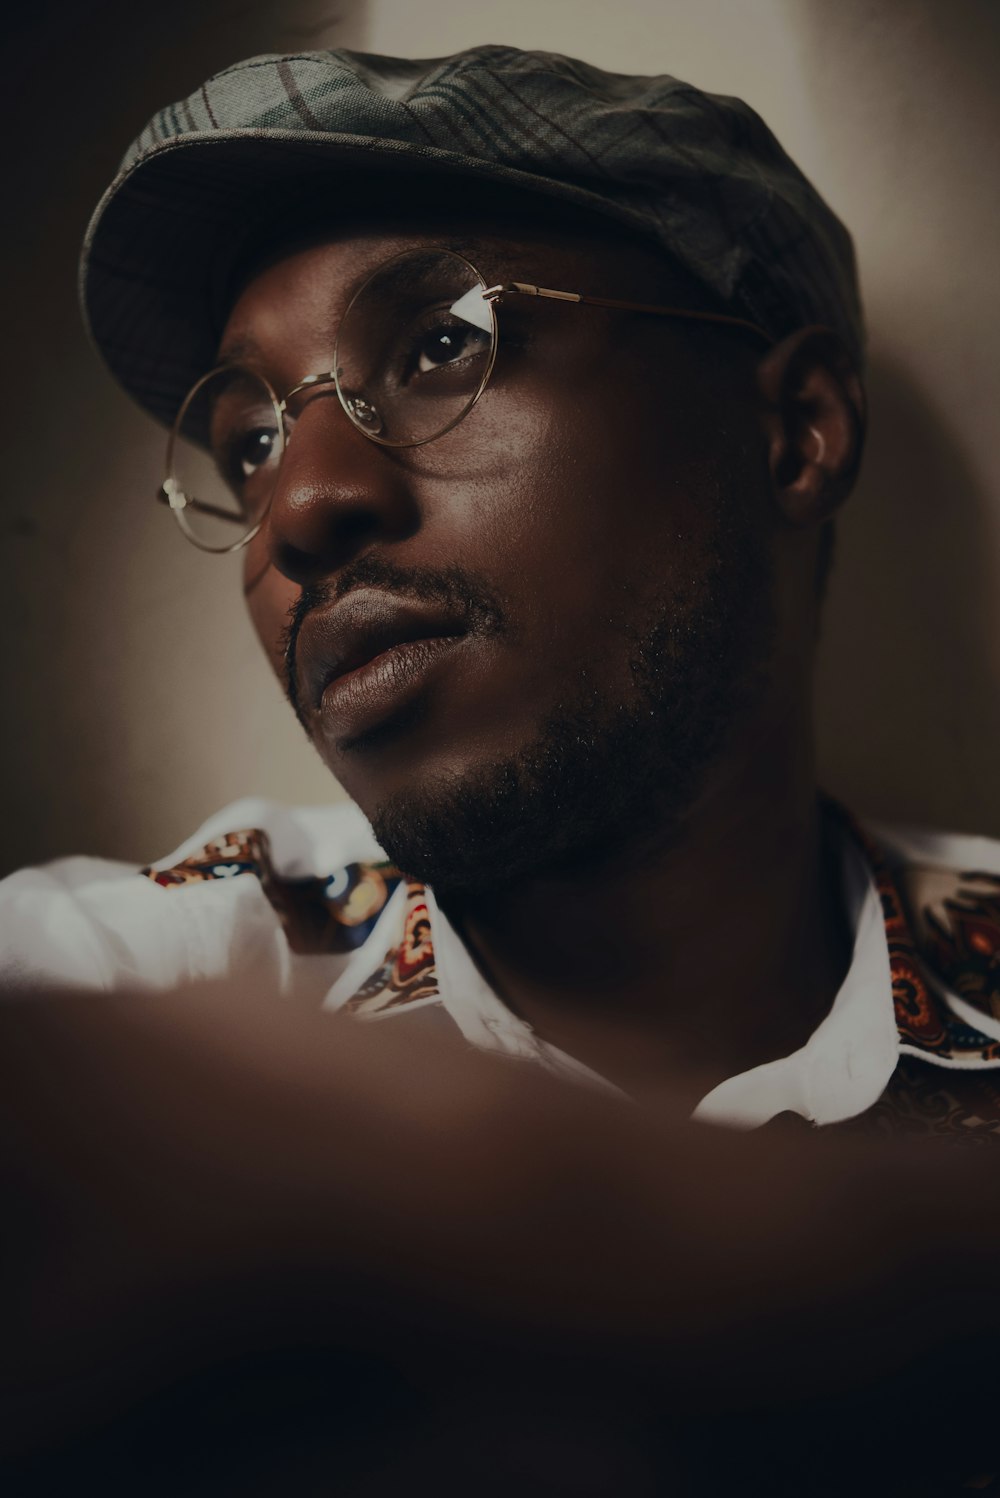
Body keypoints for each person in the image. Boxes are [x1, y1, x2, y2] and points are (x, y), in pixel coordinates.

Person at [4, 42, 1000, 1495]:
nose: (305, 504)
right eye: (250, 440)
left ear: (794, 432)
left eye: (439, 345)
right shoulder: (161, 968)